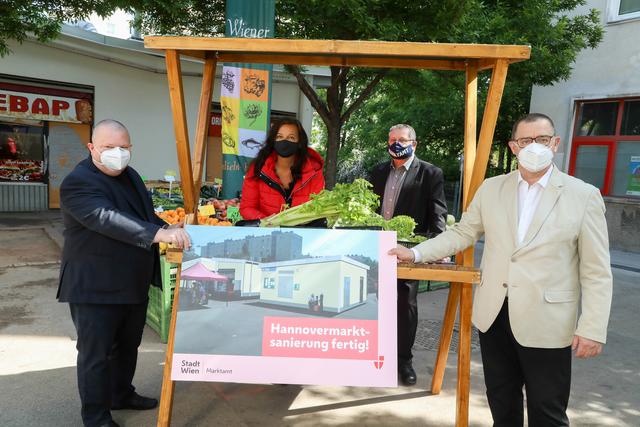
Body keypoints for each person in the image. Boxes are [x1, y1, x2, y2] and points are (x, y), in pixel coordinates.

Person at [390, 113, 613, 425]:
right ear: (513, 147)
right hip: (494, 317)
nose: (535, 146)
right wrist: (414, 253)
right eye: (526, 141)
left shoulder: (583, 195)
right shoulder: (492, 189)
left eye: (543, 139)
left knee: (547, 412)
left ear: (555, 143)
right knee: (502, 406)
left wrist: (591, 327)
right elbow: (462, 233)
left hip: (548, 321)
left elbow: (597, 270)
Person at [57, 119, 191, 427]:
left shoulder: (130, 175)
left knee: (128, 345)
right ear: (92, 147)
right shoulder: (77, 182)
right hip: (95, 285)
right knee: (96, 354)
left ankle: (121, 393)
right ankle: (95, 416)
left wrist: (166, 226)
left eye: (123, 147)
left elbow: (142, 214)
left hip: (131, 280)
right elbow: (106, 218)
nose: (117, 153)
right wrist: (159, 236)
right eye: (108, 147)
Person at [368, 124, 447, 386]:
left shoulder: (430, 173)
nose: (396, 143)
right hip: (374, 248)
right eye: (392, 139)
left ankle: (403, 361)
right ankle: (373, 355)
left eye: (402, 139)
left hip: (406, 251)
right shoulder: (378, 171)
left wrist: (437, 247)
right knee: (371, 302)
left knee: (405, 306)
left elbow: (437, 212)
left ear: (414, 143)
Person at [239, 118, 324, 220]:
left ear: (300, 142)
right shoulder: (257, 168)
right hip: (265, 232)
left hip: (303, 233)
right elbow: (247, 208)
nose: (285, 141)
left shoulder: (314, 172)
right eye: (279, 137)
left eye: (291, 137)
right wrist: (268, 222)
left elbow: (318, 210)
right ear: (273, 140)